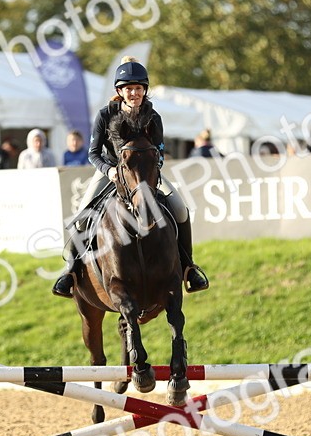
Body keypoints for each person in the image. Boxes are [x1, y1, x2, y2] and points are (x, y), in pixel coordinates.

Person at [51, 57, 209, 298]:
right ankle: (70, 272)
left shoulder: (153, 117)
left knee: (180, 209)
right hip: (111, 172)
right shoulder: (105, 115)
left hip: (145, 175)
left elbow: (159, 152)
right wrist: (110, 170)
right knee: (83, 213)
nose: (134, 93)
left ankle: (189, 268)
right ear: (120, 91)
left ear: (145, 90)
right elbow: (93, 154)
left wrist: (152, 171)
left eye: (138, 88)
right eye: (129, 89)